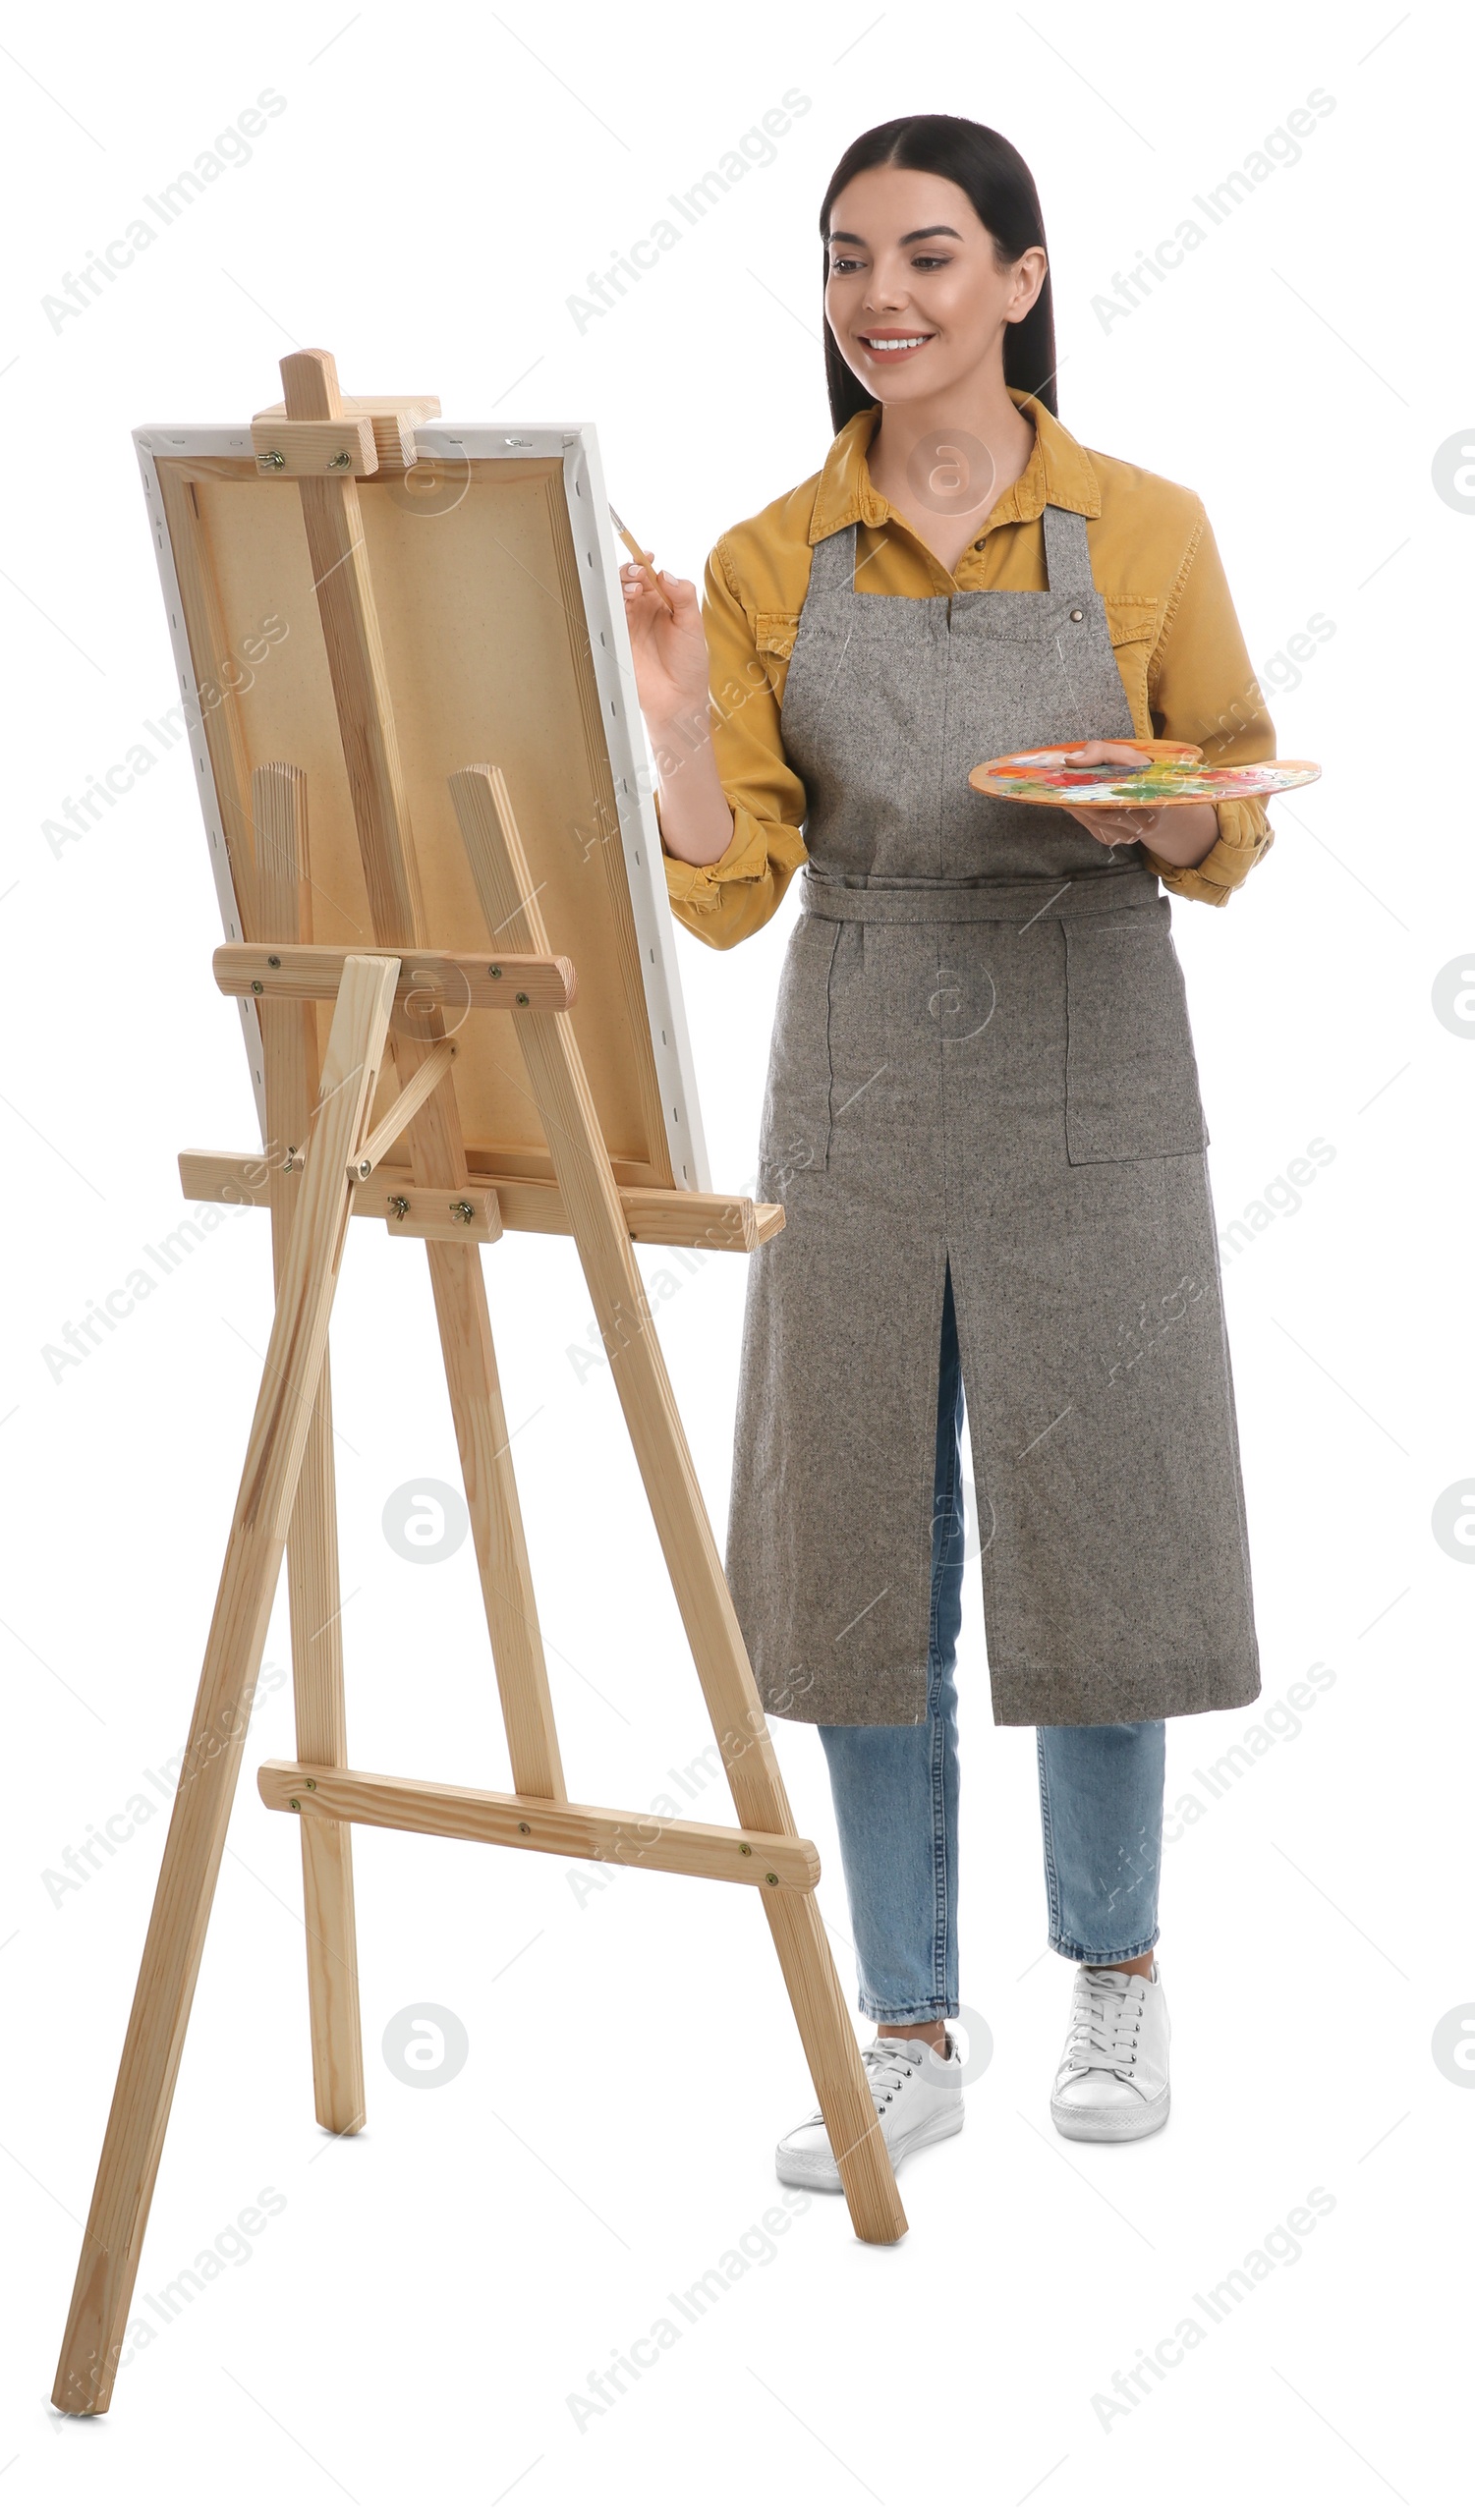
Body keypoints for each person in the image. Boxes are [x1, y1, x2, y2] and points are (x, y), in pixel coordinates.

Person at [620, 114, 1274, 2190]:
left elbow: (1225, 809)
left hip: (1088, 1025)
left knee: (1106, 1513)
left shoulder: (1143, 526)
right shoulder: (754, 561)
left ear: (1018, 275)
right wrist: (656, 709)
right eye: (842, 262)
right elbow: (725, 891)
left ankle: (1116, 1963)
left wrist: (1152, 813)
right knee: (849, 1537)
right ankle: (898, 2015)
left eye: (921, 256)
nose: (877, 299)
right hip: (864, 1051)